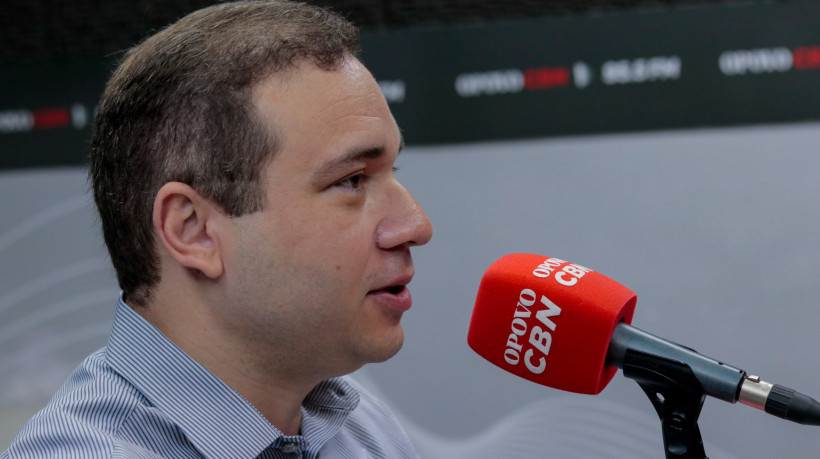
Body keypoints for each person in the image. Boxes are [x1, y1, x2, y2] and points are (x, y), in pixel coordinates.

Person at [2, 1, 433, 457]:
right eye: (351, 180)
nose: (416, 226)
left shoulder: (363, 431)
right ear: (193, 231)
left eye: (393, 170)